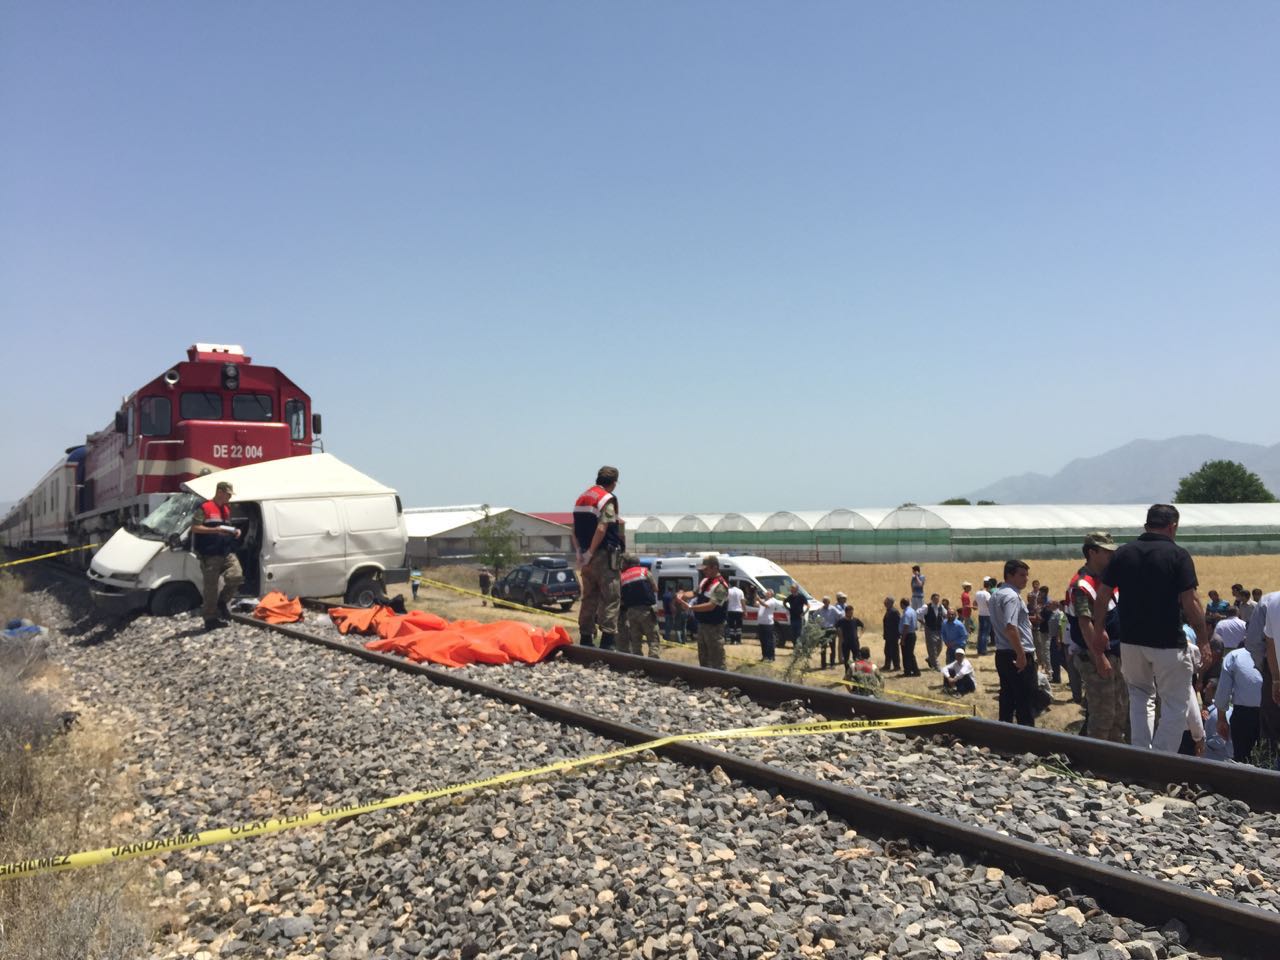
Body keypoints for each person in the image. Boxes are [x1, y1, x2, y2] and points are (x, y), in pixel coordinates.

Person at [1093, 504, 1210, 754]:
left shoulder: (1123, 553)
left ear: (1147, 524)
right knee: (1175, 704)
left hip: (1131, 642)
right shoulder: (1178, 555)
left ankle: (1139, 753)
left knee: (1139, 696)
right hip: (1168, 643)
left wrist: (1099, 629)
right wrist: (1203, 638)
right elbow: (1190, 602)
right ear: (1172, 526)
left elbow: (1102, 595)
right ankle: (1160, 759)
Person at [1067, 532, 1127, 743]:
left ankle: (1114, 758)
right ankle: (1095, 760)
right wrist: (1099, 657)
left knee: (1119, 710)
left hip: (1114, 653)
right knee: (1103, 713)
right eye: (1106, 551)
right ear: (1092, 553)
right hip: (1094, 656)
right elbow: (1085, 623)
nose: (1112, 555)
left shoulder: (1107, 580)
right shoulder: (1082, 585)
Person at [573, 465, 625, 648]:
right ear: (614, 483)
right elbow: (602, 528)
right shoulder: (607, 499)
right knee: (611, 597)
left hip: (586, 557)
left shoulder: (582, 498)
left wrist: (581, 553)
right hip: (603, 555)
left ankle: (586, 638)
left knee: (589, 597)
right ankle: (607, 641)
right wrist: (592, 551)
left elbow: (574, 530)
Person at [191, 480, 243, 631]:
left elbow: (226, 526)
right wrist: (214, 530)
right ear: (219, 492)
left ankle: (222, 602)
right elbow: (195, 528)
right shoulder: (205, 508)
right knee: (211, 588)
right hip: (210, 553)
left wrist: (235, 530)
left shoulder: (226, 509)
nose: (229, 498)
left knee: (236, 575)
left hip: (226, 550)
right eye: (228, 494)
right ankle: (210, 619)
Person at [991, 559, 1037, 726]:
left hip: (1002, 653)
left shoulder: (996, 594)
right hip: (1017, 654)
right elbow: (1011, 627)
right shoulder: (1011, 597)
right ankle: (1027, 742)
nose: (1026, 579)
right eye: (1021, 575)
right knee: (1025, 702)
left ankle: (1005, 737)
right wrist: (1021, 655)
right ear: (1009, 575)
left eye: (1027, 575)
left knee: (1007, 700)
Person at [676, 554, 729, 669]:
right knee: (704, 658)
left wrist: (691, 608)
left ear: (715, 567)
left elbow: (711, 606)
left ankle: (720, 682)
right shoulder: (705, 581)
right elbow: (694, 593)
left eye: (706, 569)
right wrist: (683, 595)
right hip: (702, 624)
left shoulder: (720, 585)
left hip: (714, 627)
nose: (704, 572)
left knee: (716, 658)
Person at [1215, 644, 1264, 762]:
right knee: (1270, 759)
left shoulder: (1235, 656)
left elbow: (1223, 691)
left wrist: (1221, 718)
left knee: (1242, 759)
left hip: (1244, 716)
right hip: (1272, 713)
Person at [618, 556, 660, 658]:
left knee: (635, 639)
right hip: (646, 610)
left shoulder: (622, 576)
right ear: (638, 563)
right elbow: (655, 588)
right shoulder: (644, 571)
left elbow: (621, 596)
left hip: (631, 612)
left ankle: (637, 660)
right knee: (652, 637)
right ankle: (653, 659)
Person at [835, 605, 864, 679]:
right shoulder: (841, 621)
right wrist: (840, 636)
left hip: (854, 642)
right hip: (845, 643)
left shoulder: (855, 620)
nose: (851, 614)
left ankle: (857, 674)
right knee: (846, 659)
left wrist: (860, 635)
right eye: (850, 612)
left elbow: (862, 626)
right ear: (846, 612)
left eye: (852, 612)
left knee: (857, 658)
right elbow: (836, 627)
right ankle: (848, 674)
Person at [756, 588, 784, 662]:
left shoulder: (772, 601)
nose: (766, 594)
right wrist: (754, 595)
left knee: (769, 641)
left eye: (768, 593)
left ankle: (771, 657)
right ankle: (765, 656)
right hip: (761, 623)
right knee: (763, 641)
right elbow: (755, 604)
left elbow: (765, 605)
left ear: (771, 594)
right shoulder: (764, 600)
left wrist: (758, 599)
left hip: (768, 624)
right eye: (766, 593)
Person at [898, 598, 921, 677]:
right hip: (912, 634)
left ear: (902, 604)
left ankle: (908, 671)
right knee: (910, 654)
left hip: (907, 635)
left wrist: (903, 639)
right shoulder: (912, 611)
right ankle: (914, 670)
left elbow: (906, 626)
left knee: (907, 654)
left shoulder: (907, 613)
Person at [922, 593, 945, 670]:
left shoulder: (941, 607)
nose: (936, 600)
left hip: (939, 629)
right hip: (930, 629)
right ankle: (936, 665)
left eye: (938, 599)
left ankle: (930, 659)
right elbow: (918, 614)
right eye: (935, 599)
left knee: (940, 647)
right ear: (932, 599)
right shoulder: (926, 607)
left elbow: (945, 614)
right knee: (932, 648)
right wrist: (924, 624)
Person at [975, 577, 995, 655]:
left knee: (980, 632)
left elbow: (975, 604)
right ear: (989, 587)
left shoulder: (978, 593)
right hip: (987, 615)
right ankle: (983, 650)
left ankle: (979, 649)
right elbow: (988, 603)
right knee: (985, 633)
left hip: (980, 614)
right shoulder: (987, 594)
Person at [881, 596, 901, 671]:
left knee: (894, 651)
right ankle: (887, 665)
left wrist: (898, 634)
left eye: (887, 602)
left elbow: (898, 623)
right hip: (888, 635)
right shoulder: (888, 611)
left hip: (893, 635)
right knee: (887, 651)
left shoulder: (894, 611)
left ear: (891, 603)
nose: (885, 603)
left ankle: (897, 666)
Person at [725, 580, 746, 645]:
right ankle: (738, 640)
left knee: (731, 626)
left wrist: (726, 610)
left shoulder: (728, 591)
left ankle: (732, 640)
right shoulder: (740, 591)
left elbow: (727, 601)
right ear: (736, 584)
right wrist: (745, 610)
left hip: (730, 610)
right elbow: (743, 602)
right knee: (739, 626)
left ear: (730, 584)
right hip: (739, 610)